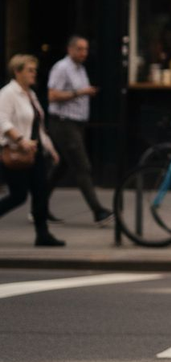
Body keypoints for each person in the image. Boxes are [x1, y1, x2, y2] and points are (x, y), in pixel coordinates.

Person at [45, 36, 113, 226]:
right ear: (70, 49)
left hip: (77, 124)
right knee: (82, 167)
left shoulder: (80, 68)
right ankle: (98, 211)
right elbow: (51, 95)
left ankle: (38, 206)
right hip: (63, 123)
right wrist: (80, 93)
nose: (84, 53)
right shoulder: (61, 68)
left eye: (86, 49)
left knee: (62, 167)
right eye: (80, 49)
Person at [0, 55, 65, 247]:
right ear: (17, 72)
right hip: (15, 152)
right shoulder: (8, 93)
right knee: (18, 195)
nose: (34, 73)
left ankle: (42, 234)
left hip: (34, 153)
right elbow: (2, 122)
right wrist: (21, 140)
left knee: (40, 192)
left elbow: (38, 126)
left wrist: (50, 149)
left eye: (34, 70)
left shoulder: (31, 94)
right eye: (29, 70)